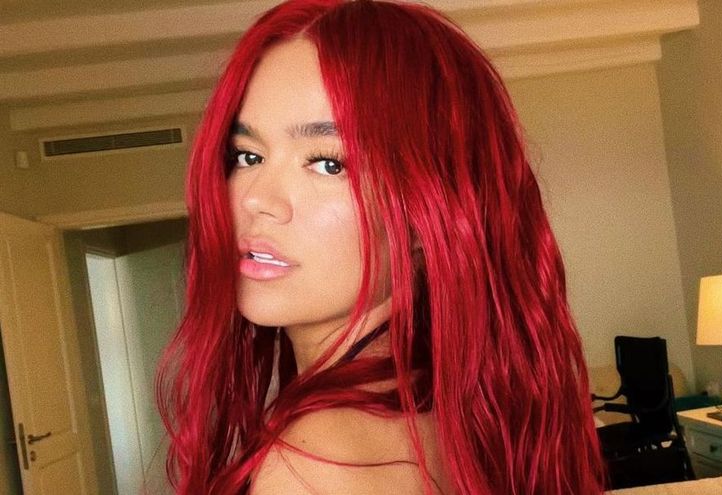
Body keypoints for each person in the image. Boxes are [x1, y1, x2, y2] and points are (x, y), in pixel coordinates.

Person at [157, 0, 606, 493]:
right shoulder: (447, 415)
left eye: (328, 163)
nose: (256, 199)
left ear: (429, 213)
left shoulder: (316, 463)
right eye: (247, 155)